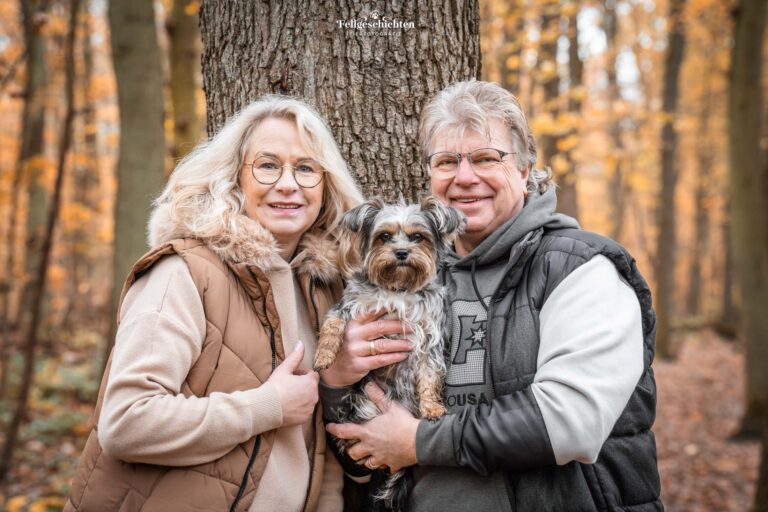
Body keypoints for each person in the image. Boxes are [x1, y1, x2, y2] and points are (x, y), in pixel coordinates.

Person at [320, 80, 663, 511]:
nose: (465, 177)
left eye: (486, 158)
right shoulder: (404, 281)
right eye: (446, 161)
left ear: (524, 169)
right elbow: (363, 456)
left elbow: (569, 423)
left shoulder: (579, 269)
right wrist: (336, 386)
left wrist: (419, 441)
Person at [65, 95, 365, 512]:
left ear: (326, 184)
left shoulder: (323, 290)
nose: (288, 183)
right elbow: (125, 422)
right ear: (234, 177)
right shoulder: (183, 273)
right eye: (267, 165)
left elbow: (315, 450)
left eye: (306, 168)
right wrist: (268, 406)